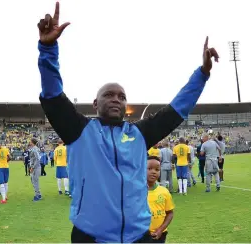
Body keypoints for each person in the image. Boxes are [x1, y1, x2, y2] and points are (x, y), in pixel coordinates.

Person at [37, 2, 218, 242]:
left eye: (121, 97)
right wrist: (48, 49)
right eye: (108, 95)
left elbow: (175, 110)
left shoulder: (139, 134)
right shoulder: (80, 131)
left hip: (137, 236)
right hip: (91, 236)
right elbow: (53, 97)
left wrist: (202, 74)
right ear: (95, 104)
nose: (116, 100)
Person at [147, 156, 174, 243]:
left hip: (160, 235)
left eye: (157, 169)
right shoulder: (136, 192)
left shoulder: (164, 191)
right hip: (140, 235)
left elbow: (170, 213)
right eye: (149, 168)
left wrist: (160, 230)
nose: (153, 172)